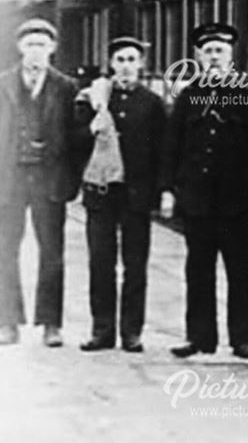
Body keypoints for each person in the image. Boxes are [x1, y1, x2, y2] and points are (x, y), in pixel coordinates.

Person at [160, 23, 248, 359]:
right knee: (198, 271)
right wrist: (167, 190)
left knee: (239, 273)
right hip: (198, 202)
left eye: (220, 50)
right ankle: (199, 337)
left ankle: (243, 339)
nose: (214, 56)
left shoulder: (246, 97)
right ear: (199, 57)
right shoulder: (189, 97)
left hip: (235, 201)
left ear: (231, 55)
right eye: (208, 51)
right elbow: (171, 147)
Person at [76, 36, 166, 353]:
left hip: (136, 195)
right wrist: (91, 127)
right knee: (101, 262)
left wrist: (162, 191)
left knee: (135, 265)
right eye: (120, 60)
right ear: (111, 64)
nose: (126, 66)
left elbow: (162, 150)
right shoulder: (93, 98)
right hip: (101, 194)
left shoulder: (153, 103)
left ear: (140, 65)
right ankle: (102, 331)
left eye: (132, 59)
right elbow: (74, 140)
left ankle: (131, 332)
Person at [0, 19, 79, 347]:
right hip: (10, 179)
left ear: (53, 49)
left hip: (50, 180)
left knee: (52, 253)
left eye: (42, 45)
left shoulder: (67, 87)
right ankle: (6, 323)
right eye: (30, 44)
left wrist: (72, 178)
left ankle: (51, 324)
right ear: (20, 48)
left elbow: (76, 139)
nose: (36, 51)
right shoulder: (2, 83)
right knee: (4, 251)